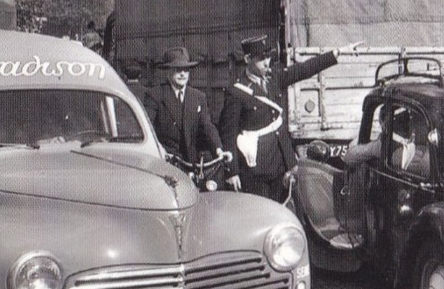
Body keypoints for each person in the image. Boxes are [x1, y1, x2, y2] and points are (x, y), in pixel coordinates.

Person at [220, 35, 352, 201]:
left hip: (282, 162)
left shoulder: (274, 78)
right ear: (247, 59)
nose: (267, 62)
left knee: (285, 209)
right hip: (257, 170)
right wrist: (232, 172)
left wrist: (336, 53)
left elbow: (303, 69)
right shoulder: (237, 91)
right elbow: (228, 134)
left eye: (268, 57)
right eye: (261, 59)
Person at [144, 46, 231, 168]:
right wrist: (159, 149)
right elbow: (148, 127)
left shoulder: (198, 96)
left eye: (186, 69)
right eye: (177, 69)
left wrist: (218, 150)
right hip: (166, 161)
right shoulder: (155, 95)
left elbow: (207, 126)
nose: (182, 74)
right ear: (168, 71)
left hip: (191, 163)